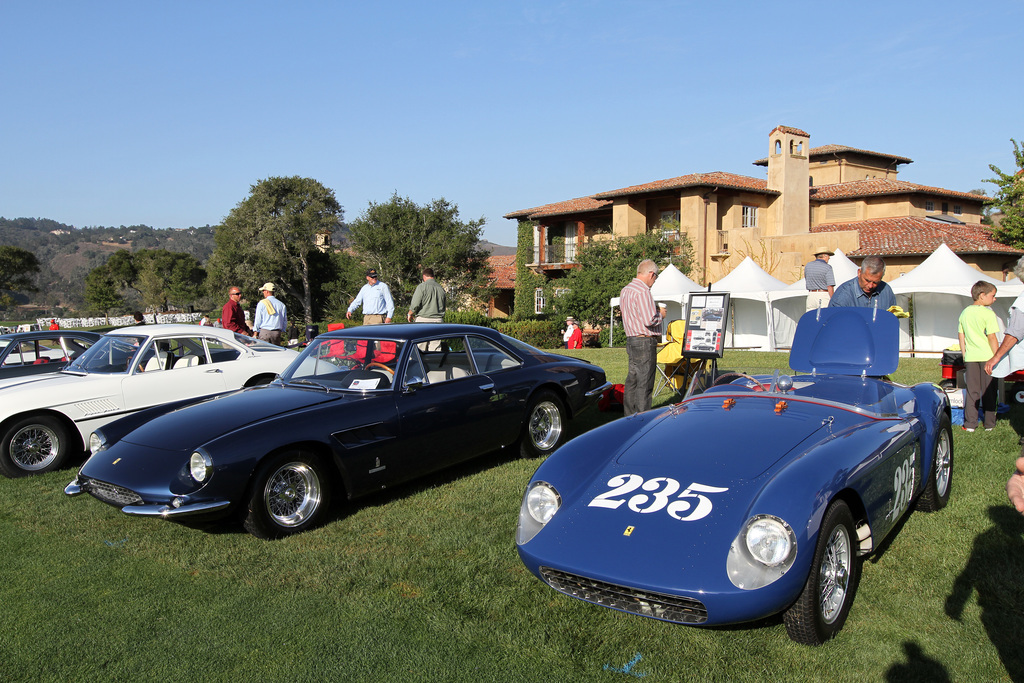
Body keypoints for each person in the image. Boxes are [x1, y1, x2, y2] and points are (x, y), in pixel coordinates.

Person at [620, 260, 663, 416]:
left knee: (632, 380)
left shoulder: (625, 290)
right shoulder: (643, 291)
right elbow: (649, 320)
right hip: (644, 341)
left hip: (631, 339)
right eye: (655, 278)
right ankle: (643, 417)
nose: (654, 282)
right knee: (645, 382)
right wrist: (661, 315)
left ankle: (629, 416)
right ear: (651, 274)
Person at [957, 281, 999, 432]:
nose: (995, 299)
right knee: (989, 390)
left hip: (971, 357)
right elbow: (992, 337)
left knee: (972, 391)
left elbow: (961, 336)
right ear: (982, 296)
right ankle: (989, 424)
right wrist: (996, 357)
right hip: (988, 357)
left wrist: (964, 355)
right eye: (993, 296)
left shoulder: (965, 312)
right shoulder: (988, 313)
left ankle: (970, 424)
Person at [828, 256, 896, 309]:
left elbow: (893, 319)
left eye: (875, 282)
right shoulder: (843, 294)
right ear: (859, 272)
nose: (870, 286)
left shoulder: (886, 291)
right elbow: (834, 323)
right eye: (867, 280)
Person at [805, 247, 836, 311]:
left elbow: (806, 278)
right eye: (828, 256)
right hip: (823, 295)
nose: (829, 258)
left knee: (810, 316)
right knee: (824, 316)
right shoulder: (827, 267)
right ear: (824, 256)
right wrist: (833, 300)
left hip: (811, 295)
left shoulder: (808, 265)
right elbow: (830, 286)